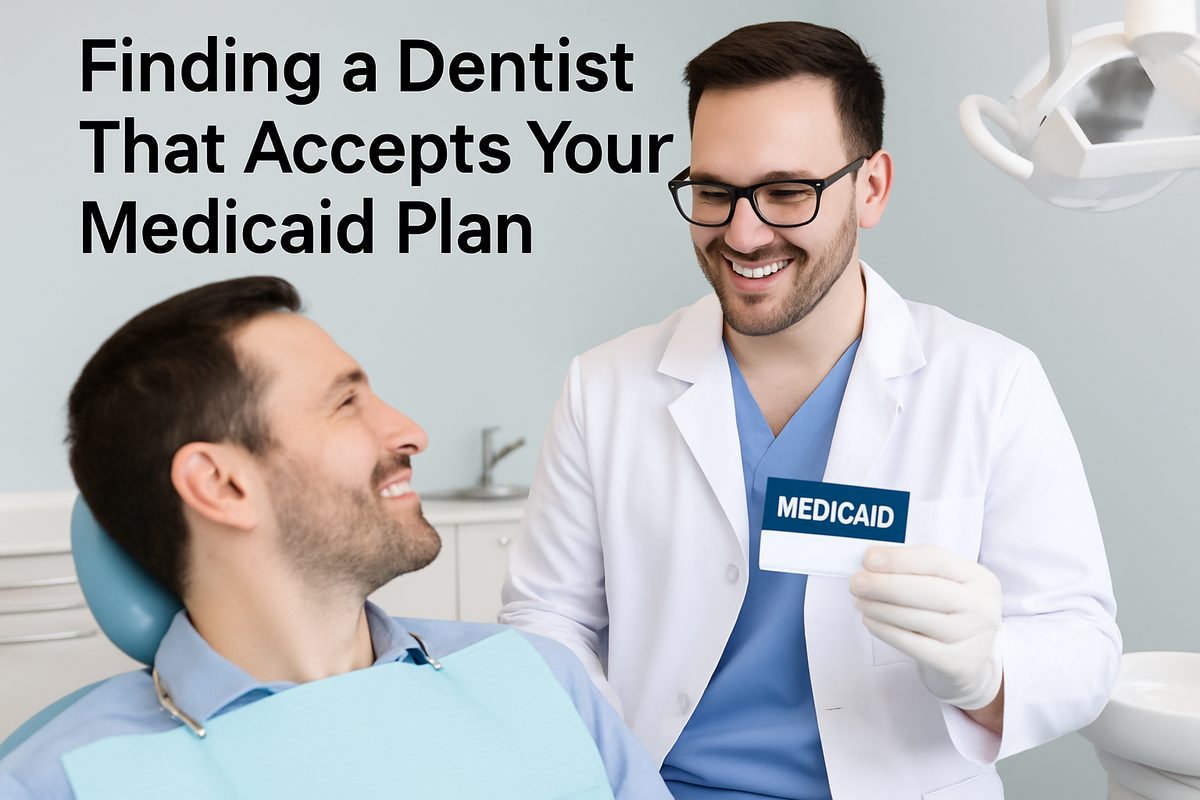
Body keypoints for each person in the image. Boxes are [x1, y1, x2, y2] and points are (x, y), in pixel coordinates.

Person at [500, 20, 1121, 800]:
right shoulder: (605, 388)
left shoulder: (990, 385)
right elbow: (546, 620)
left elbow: (1083, 644)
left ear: (872, 188)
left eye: (787, 193)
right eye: (713, 192)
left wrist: (986, 671)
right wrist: (613, 773)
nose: (743, 233)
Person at [0, 277, 670, 800]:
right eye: (347, 404)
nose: (412, 432)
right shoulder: (59, 781)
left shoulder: (538, 675)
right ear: (222, 484)